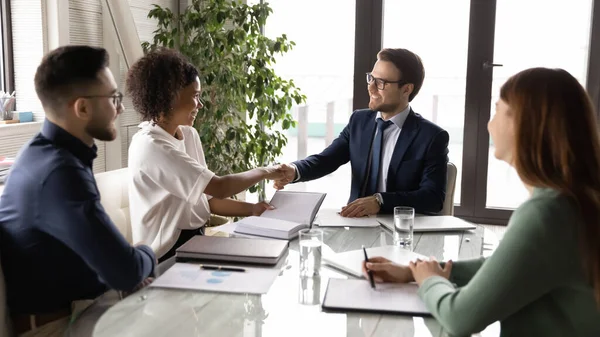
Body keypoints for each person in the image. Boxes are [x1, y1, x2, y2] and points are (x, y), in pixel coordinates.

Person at [363, 67, 600, 337]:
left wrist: (429, 280)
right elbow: (508, 265)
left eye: (498, 109)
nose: (489, 123)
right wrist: (417, 271)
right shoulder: (576, 200)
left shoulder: (547, 213)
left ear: (524, 123)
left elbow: (460, 318)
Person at [0, 45, 156, 337]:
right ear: (82, 107)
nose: (120, 108)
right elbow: (126, 270)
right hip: (56, 328)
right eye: (113, 98)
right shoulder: (60, 173)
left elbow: (108, 267)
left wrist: (128, 272)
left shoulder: (48, 156)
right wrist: (147, 251)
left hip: (79, 309)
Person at [126, 48, 285, 261]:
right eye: (195, 96)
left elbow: (208, 200)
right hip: (165, 253)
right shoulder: (151, 145)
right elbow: (220, 186)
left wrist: (254, 209)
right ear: (169, 96)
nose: (200, 105)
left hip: (195, 240)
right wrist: (266, 171)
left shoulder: (189, 135)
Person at [274, 48, 449, 217]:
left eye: (381, 83)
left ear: (406, 89)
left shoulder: (432, 137)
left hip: (402, 231)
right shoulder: (359, 121)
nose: (371, 88)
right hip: (356, 223)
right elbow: (326, 160)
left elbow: (432, 198)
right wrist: (295, 170)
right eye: (371, 78)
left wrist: (380, 201)